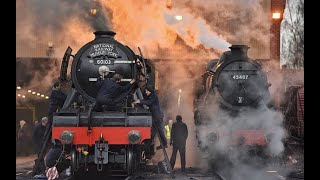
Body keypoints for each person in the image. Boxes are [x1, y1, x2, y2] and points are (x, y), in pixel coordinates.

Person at [134, 85, 168, 150]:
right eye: (146, 91)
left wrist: (140, 101)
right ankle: (150, 146)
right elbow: (145, 99)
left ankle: (164, 144)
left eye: (147, 91)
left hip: (157, 116)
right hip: (154, 116)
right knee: (153, 132)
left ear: (150, 91)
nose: (146, 92)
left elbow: (149, 102)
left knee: (160, 131)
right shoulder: (150, 96)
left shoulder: (154, 96)